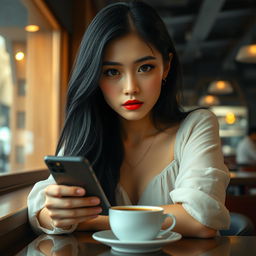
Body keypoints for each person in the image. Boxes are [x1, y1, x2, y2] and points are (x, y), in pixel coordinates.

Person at [27, 1, 230, 238]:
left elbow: (201, 221)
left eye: (145, 68)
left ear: (166, 67)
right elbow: (41, 209)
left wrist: (93, 221)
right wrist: (55, 212)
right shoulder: (88, 131)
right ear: (95, 77)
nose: (131, 88)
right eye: (112, 72)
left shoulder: (196, 125)